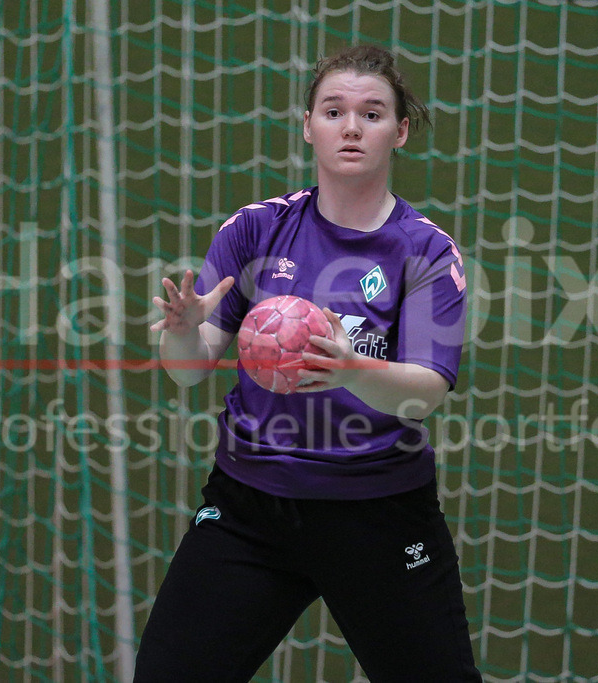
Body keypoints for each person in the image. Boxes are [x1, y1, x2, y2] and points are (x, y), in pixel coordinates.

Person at [135, 44, 481, 682]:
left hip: (376, 511)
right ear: (308, 125)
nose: (352, 127)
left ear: (400, 131)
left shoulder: (426, 251)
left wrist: (349, 368)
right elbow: (188, 369)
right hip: (250, 507)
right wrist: (184, 332)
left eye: (372, 114)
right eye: (334, 111)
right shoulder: (256, 230)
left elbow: (424, 393)